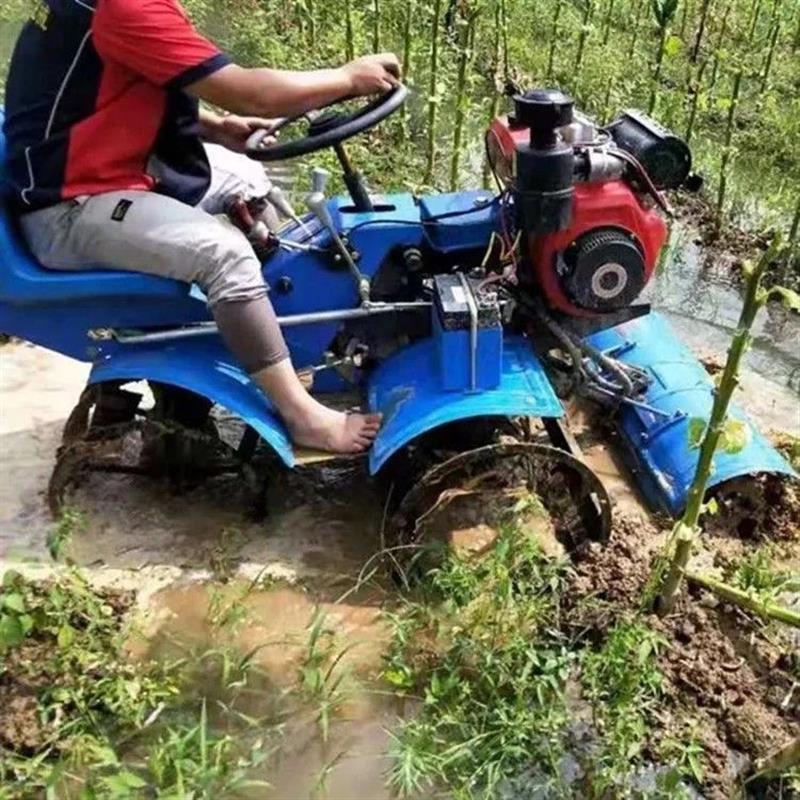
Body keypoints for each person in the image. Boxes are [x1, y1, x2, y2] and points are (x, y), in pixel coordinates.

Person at [3, 0, 401, 454]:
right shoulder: (125, 8)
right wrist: (348, 79)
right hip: (70, 207)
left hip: (99, 169)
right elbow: (251, 91)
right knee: (224, 255)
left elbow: (113, 86)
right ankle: (302, 415)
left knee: (249, 181)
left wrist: (215, 127)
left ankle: (281, 341)